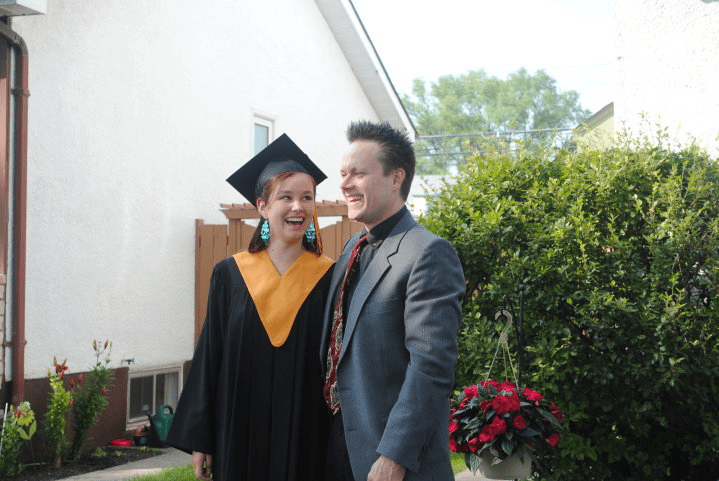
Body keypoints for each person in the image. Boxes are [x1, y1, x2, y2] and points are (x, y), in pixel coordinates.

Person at [166, 134, 335, 481]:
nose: (298, 207)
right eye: (285, 197)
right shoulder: (230, 275)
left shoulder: (330, 277)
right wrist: (202, 438)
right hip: (238, 431)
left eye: (307, 198)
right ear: (262, 206)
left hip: (308, 433)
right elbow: (210, 357)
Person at [321, 120, 466, 481]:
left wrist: (394, 456)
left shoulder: (428, 252)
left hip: (391, 462)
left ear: (395, 177)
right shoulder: (351, 249)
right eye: (343, 174)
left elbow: (431, 366)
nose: (344, 184)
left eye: (358, 173)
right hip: (336, 450)